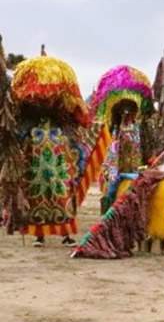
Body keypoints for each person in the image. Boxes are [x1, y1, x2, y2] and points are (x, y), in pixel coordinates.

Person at [8, 51, 94, 247]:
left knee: (62, 194)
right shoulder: (28, 109)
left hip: (59, 160)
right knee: (37, 195)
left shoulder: (61, 110)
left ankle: (66, 234)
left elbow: (78, 120)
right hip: (35, 158)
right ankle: (39, 235)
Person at [89, 65, 154, 212]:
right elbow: (109, 150)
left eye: (130, 110)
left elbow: (146, 147)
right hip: (116, 169)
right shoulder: (115, 128)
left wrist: (150, 158)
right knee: (112, 191)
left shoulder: (140, 128)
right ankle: (108, 209)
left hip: (135, 169)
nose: (127, 113)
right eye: (124, 110)